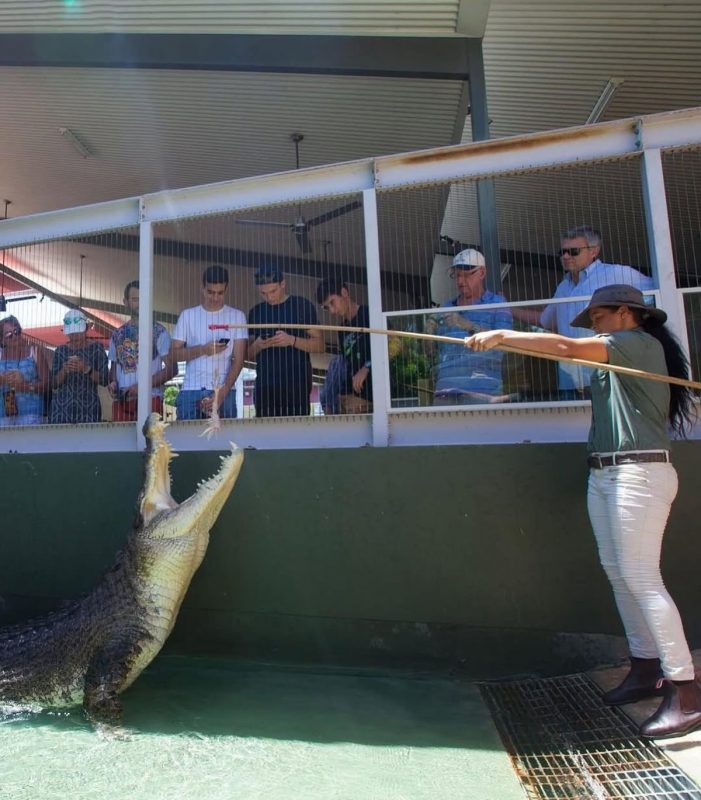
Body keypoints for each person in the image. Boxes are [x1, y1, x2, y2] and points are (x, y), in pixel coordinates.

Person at [466, 284, 700, 739]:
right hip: (606, 473)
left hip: (639, 473)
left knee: (642, 578)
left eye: (599, 315)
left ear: (627, 314)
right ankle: (646, 668)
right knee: (619, 573)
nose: (593, 322)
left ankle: (685, 690)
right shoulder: (611, 356)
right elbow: (571, 350)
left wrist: (500, 335)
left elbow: (564, 346)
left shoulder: (635, 343)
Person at [518, 226, 654, 398]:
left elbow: (658, 292)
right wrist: (507, 309)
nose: (566, 257)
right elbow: (545, 321)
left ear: (594, 251)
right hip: (570, 382)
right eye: (563, 252)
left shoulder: (617, 273)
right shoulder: (563, 287)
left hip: (607, 377)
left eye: (573, 251)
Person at [426, 248, 513, 404]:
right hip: (445, 391)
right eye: (457, 275)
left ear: (482, 273)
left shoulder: (497, 304)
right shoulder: (446, 308)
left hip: (482, 391)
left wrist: (466, 324)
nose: (460, 281)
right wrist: (428, 332)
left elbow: (506, 345)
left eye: (467, 275)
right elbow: (430, 355)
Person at [171, 265, 247, 421]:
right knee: (187, 442)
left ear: (226, 290)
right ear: (202, 288)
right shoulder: (188, 316)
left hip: (224, 389)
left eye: (220, 293)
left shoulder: (237, 316)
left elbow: (239, 360)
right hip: (190, 389)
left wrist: (221, 394)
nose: (215, 297)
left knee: (224, 444)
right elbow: (172, 355)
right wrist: (203, 350)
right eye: (210, 292)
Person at [248, 267, 324, 417]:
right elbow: (246, 354)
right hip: (265, 387)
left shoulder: (301, 306)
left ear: (283, 284)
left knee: (297, 435)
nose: (269, 297)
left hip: (297, 385)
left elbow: (320, 345)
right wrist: (257, 345)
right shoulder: (255, 312)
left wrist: (292, 340)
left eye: (273, 291)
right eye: (263, 293)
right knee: (265, 435)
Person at [107, 280, 176, 421]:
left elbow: (172, 369)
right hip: (122, 402)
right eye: (135, 299)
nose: (140, 304)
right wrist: (112, 384)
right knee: (121, 443)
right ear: (125, 302)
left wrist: (141, 387)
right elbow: (113, 369)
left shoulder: (159, 331)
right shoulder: (117, 334)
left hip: (151, 399)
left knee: (150, 442)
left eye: (143, 298)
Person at [316, 277, 372, 414]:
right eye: (327, 308)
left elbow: (394, 345)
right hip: (353, 396)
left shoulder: (369, 315)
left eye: (332, 303)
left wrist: (367, 367)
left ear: (344, 292)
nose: (332, 311)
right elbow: (347, 364)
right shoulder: (342, 330)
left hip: (377, 395)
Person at [50, 309, 109, 424]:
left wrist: (86, 369)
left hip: (89, 409)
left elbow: (105, 380)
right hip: (61, 410)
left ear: (86, 328)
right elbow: (53, 383)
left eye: (77, 333)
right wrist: (64, 371)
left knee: (88, 441)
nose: (74, 337)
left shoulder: (97, 348)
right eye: (71, 334)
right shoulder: (60, 351)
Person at [0, 315, 51, 426]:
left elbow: (48, 384)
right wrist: (3, 380)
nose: (14, 336)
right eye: (9, 335)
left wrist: (24, 386)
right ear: (2, 340)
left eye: (16, 331)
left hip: (32, 415)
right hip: (2, 416)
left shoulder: (34, 352)